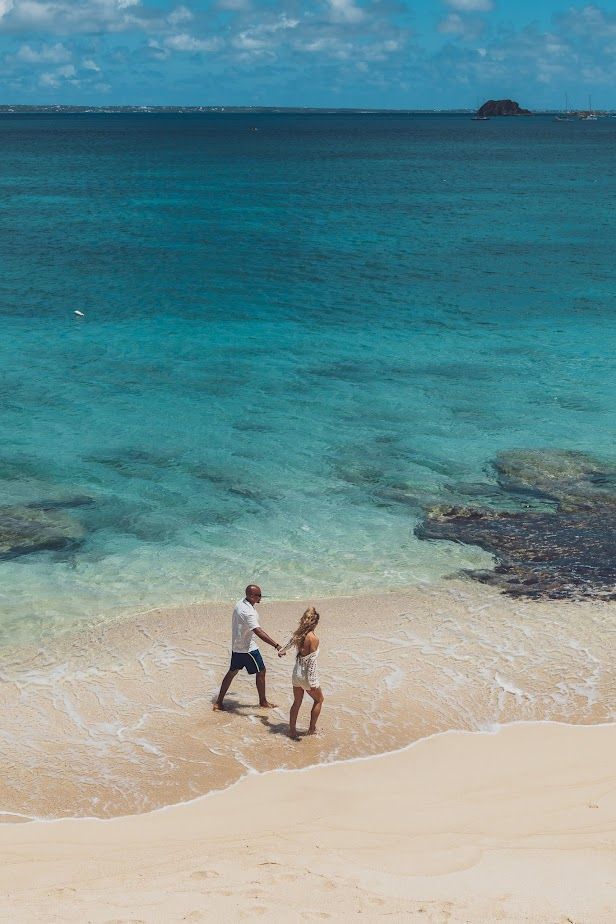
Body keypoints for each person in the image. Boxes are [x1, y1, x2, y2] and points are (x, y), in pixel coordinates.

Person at [213, 584, 282, 711]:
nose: (261, 597)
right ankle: (263, 702)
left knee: (232, 672)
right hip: (248, 648)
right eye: (259, 595)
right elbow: (258, 631)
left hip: (237, 646)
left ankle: (218, 702)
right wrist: (276, 645)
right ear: (251, 596)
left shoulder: (241, 603)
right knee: (261, 672)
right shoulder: (248, 612)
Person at [278, 606, 324, 739]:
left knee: (297, 702)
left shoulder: (298, 635)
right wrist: (311, 682)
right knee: (319, 700)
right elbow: (312, 661)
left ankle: (292, 731)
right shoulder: (313, 638)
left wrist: (281, 652)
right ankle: (312, 729)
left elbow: (287, 645)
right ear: (314, 622)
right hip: (307, 676)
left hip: (296, 675)